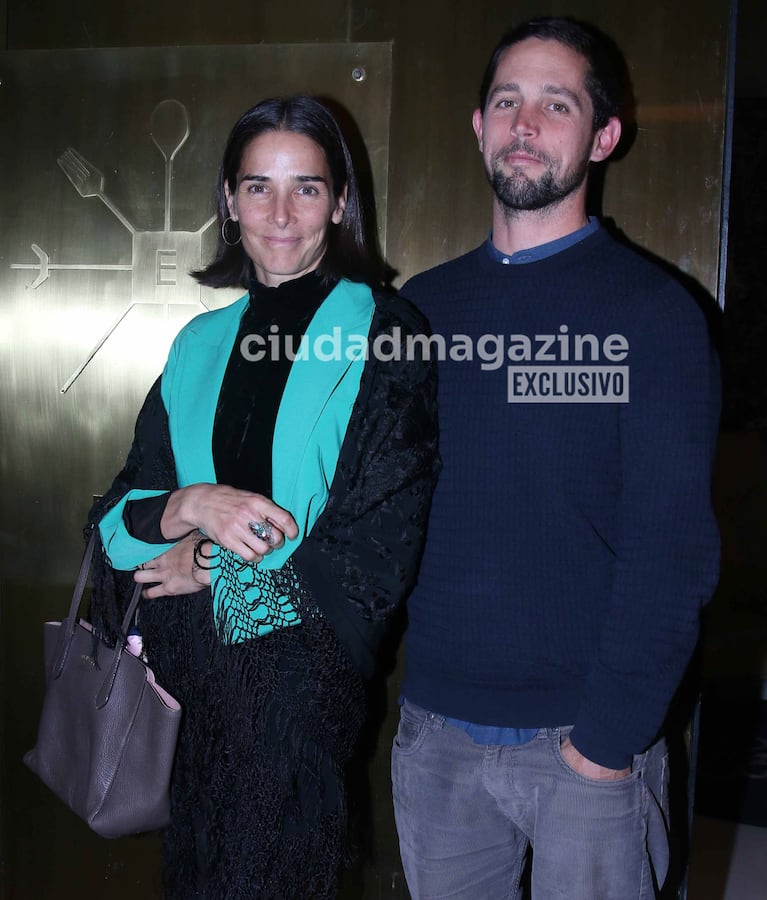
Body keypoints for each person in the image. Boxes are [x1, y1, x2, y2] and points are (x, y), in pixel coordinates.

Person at [391, 17, 720, 900]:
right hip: (437, 738)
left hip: (585, 747)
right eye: (507, 101)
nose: (524, 122)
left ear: (602, 136)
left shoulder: (654, 314)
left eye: (555, 103)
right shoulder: (418, 311)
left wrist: (606, 745)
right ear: (478, 125)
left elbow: (672, 550)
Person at [87, 95, 439, 899]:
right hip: (182, 691)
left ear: (341, 201)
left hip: (292, 688)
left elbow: (377, 551)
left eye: (307, 188)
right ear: (227, 200)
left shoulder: (386, 333)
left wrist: (210, 563)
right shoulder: (200, 342)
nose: (280, 213)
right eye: (256, 187)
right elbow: (116, 518)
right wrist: (190, 506)